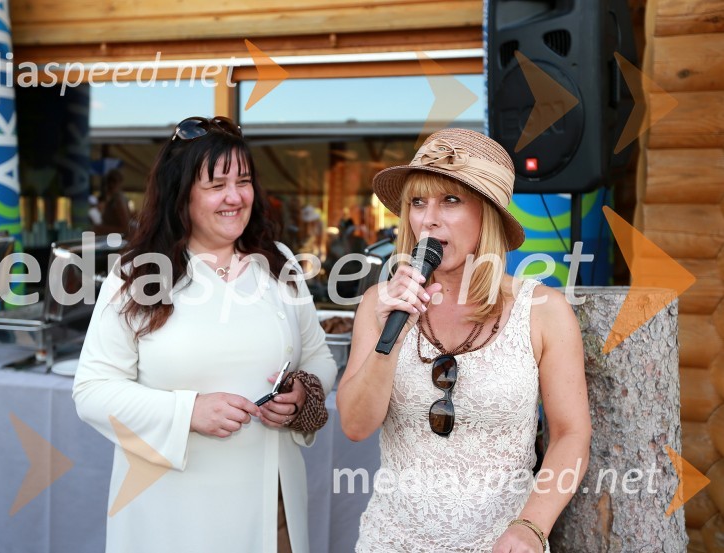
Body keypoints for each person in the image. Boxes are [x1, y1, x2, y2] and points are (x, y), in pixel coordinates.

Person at [73, 116, 337, 553]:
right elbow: (92, 391)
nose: (235, 197)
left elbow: (320, 359)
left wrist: (302, 396)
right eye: (216, 185)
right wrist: (187, 412)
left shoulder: (278, 263)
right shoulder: (136, 275)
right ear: (182, 195)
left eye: (244, 181)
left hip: (272, 513)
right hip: (171, 517)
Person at [336, 128, 591, 552]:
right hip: (391, 542)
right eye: (418, 202)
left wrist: (532, 526)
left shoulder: (544, 311)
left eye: (450, 201)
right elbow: (355, 426)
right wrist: (391, 337)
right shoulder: (378, 304)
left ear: (487, 215)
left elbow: (570, 433)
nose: (428, 219)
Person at [99, 168, 132, 233]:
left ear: (119, 183)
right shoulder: (112, 199)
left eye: (114, 181)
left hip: (116, 240)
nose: (110, 184)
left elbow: (125, 228)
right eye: (108, 181)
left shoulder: (118, 199)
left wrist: (99, 229)